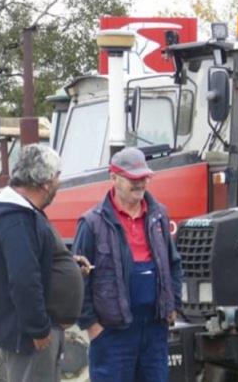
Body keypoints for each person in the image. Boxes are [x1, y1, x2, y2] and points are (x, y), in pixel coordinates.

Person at [73, 147, 183, 382]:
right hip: (112, 333)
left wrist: (173, 305)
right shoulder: (92, 223)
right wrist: (92, 326)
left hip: (154, 329)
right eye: (133, 178)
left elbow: (174, 263)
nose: (140, 183)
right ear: (113, 178)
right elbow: (78, 279)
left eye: (143, 177)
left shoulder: (159, 216)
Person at [0, 144, 79, 382]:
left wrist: (68, 265)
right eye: (57, 176)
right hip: (31, 338)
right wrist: (37, 328)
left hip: (37, 333)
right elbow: (23, 278)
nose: (59, 182)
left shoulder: (25, 215)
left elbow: (32, 261)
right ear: (45, 182)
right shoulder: (17, 221)